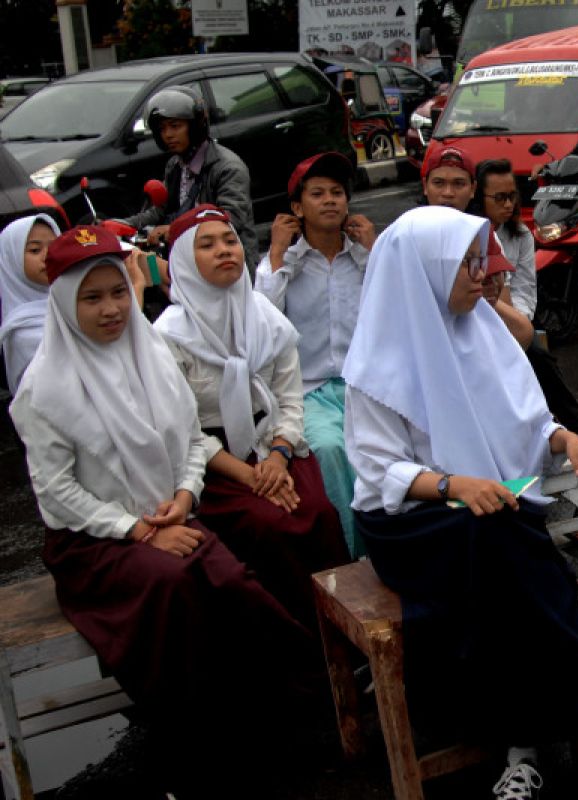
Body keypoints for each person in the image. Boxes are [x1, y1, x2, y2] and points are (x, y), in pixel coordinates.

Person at [342, 206, 578, 799]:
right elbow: (376, 470)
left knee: (500, 557)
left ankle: (519, 748)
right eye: (467, 263)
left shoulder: (485, 327)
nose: (483, 274)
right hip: (410, 523)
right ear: (423, 272)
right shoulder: (378, 359)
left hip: (486, 508)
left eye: (481, 259)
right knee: (500, 533)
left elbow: (524, 418)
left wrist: (561, 436)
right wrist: (452, 484)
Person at [11, 224, 327, 790]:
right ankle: (200, 742)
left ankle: (283, 713)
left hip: (170, 513)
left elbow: (186, 441)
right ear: (63, 303)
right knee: (177, 587)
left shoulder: (149, 354)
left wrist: (184, 497)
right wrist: (137, 530)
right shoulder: (45, 388)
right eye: (91, 298)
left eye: (115, 293)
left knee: (231, 582)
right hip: (96, 541)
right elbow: (56, 493)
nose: (111, 310)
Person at [155, 205, 350, 629]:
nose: (225, 251)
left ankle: (344, 627)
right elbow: (182, 427)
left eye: (229, 241)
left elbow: (290, 396)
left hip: (271, 445)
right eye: (206, 245)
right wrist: (249, 476)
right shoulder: (168, 336)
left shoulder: (265, 318)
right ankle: (295, 640)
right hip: (213, 462)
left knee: (318, 512)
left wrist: (278, 457)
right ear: (185, 260)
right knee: (267, 524)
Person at [255, 152, 375, 559]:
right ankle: (352, 553)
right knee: (329, 449)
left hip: (365, 385)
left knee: (390, 447)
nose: (330, 201)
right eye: (317, 193)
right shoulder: (282, 264)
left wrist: (375, 251)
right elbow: (261, 327)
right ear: (296, 207)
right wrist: (276, 253)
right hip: (309, 390)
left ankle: (397, 543)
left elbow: (393, 308)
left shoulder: (362, 258)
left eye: (337, 193)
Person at [426, 143, 578, 436]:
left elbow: (520, 289)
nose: (448, 193)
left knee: (532, 355)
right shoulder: (414, 234)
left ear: (471, 189)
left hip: (495, 317)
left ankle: (562, 427)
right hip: (448, 333)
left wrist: (510, 317)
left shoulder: (495, 237)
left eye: (512, 196)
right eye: (439, 183)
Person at [121, 85, 258, 266]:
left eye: (175, 126)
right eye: (162, 129)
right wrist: (121, 225)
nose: (168, 135)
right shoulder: (175, 165)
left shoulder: (227, 168)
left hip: (228, 264)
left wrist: (174, 229)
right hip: (188, 260)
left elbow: (231, 218)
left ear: (195, 126)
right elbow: (161, 209)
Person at [473, 158, 536, 320]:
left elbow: (525, 288)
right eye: (500, 197)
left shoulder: (522, 235)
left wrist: (519, 319)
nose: (509, 204)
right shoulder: (470, 234)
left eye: (512, 196)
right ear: (479, 197)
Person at [0, 214, 58, 391]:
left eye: (54, 247)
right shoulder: (21, 329)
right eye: (35, 250)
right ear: (12, 259)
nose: (47, 256)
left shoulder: (73, 299)